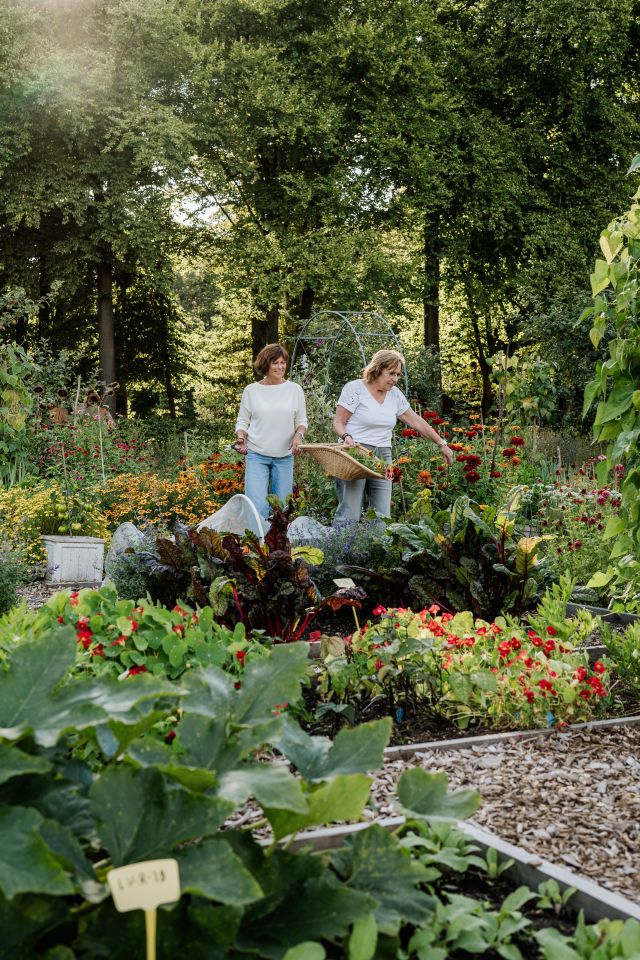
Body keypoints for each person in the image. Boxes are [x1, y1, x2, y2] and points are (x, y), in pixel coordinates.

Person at [332, 349, 453, 523]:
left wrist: (442, 444)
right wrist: (346, 436)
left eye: (398, 374)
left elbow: (416, 421)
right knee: (350, 512)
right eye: (391, 373)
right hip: (355, 453)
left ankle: (379, 542)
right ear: (377, 370)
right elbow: (338, 422)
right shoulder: (355, 389)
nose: (395, 379)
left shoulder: (394, 394)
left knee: (382, 515)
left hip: (383, 456)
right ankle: (341, 541)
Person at [235, 343, 308, 519]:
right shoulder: (251, 391)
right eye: (275, 363)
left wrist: (298, 436)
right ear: (265, 364)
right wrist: (241, 438)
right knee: (257, 507)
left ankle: (277, 538)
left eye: (283, 362)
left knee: (281, 509)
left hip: (284, 456)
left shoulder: (295, 390)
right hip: (257, 455)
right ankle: (257, 537)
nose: (280, 367)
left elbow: (301, 422)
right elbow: (243, 421)